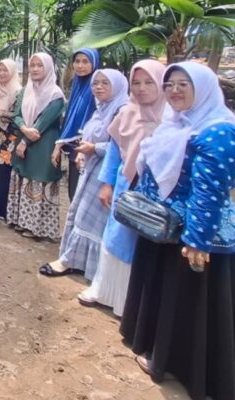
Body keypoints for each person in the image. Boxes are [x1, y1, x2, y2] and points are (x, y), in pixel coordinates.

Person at [120, 61, 235, 400]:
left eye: (184, 84)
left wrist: (197, 240)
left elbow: (209, 191)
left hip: (193, 237)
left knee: (184, 303)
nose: (174, 91)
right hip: (164, 228)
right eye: (169, 85)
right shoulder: (176, 123)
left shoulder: (217, 130)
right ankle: (158, 351)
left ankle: (177, 367)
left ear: (204, 88)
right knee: (164, 294)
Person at [77, 60, 166, 315]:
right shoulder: (127, 113)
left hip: (156, 193)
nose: (141, 88)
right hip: (124, 185)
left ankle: (129, 303)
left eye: (149, 82)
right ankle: (103, 289)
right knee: (114, 237)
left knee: (140, 245)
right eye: (136, 82)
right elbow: (115, 152)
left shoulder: (172, 118)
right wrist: (107, 184)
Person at [39, 69, 128, 277]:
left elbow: (124, 147)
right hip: (91, 167)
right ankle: (75, 260)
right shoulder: (101, 109)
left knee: (93, 219)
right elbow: (91, 135)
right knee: (81, 214)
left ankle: (82, 265)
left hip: (108, 173)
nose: (99, 87)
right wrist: (83, 152)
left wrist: (94, 149)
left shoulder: (123, 111)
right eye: (95, 83)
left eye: (105, 83)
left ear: (118, 86)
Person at [7, 53, 66, 241]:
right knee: (23, 177)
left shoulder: (56, 94)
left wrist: (26, 140)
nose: (35, 69)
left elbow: (43, 123)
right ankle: (21, 221)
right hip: (24, 140)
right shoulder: (26, 90)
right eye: (32, 65)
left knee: (39, 179)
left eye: (39, 65)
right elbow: (16, 115)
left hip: (44, 144)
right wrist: (24, 128)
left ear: (48, 68)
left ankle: (38, 228)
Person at [52, 48, 101, 201]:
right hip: (76, 149)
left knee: (82, 196)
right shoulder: (78, 86)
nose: (80, 66)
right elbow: (71, 119)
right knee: (73, 194)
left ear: (94, 63)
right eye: (77, 61)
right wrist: (60, 144)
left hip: (91, 149)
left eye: (85, 62)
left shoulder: (97, 89)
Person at [0, 59, 22, 220]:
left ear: (12, 72)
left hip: (9, 137)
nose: (1, 73)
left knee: (4, 171)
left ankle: (3, 210)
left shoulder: (18, 91)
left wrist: (0, 113)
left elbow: (18, 116)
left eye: (5, 70)